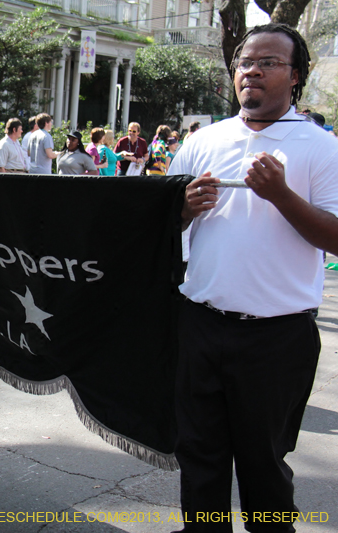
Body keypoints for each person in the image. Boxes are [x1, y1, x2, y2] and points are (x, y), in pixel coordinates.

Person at [168, 23, 338, 533]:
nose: (252, 71)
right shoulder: (204, 141)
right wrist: (180, 209)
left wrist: (282, 195)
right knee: (199, 461)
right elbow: (156, 225)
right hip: (199, 325)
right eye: (245, 62)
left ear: (296, 77)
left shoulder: (321, 147)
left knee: (263, 467)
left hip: (276, 337)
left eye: (268, 63)